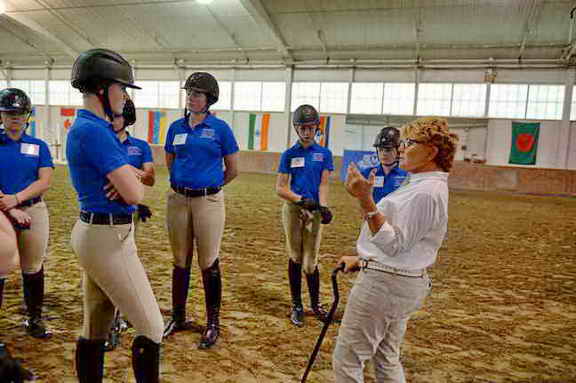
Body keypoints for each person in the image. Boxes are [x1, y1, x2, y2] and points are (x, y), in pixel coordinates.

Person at [333, 117, 459, 383]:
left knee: (347, 360)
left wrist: (365, 199)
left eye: (410, 142)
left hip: (385, 284)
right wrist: (363, 259)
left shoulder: (426, 192)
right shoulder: (422, 184)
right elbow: (399, 238)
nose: (402, 148)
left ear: (431, 151)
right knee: (386, 358)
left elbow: (394, 243)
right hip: (395, 277)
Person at [66, 48, 163, 382]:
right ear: (101, 89)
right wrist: (130, 181)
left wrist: (127, 177)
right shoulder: (94, 130)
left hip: (99, 233)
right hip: (108, 238)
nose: (124, 96)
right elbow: (136, 194)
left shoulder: (92, 127)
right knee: (152, 328)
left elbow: (133, 185)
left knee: (96, 323)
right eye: (121, 88)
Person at [163, 72, 239, 350]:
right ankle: (178, 317)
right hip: (179, 200)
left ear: (209, 99)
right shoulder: (175, 128)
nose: (192, 98)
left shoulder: (220, 129)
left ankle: (212, 323)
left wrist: (211, 185)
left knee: (208, 260)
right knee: (179, 259)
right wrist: (183, 182)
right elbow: (170, 159)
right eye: (190, 93)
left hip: (208, 202)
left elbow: (233, 168)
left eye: (197, 94)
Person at [0, 88, 54, 339]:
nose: (15, 118)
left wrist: (17, 200)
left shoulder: (38, 145)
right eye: (9, 113)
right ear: (1, 115)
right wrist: (8, 205)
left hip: (32, 209)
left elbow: (45, 180)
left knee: (32, 267)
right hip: (1, 213)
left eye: (20, 113)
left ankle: (34, 317)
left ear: (27, 116)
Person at [276, 104, 334, 327]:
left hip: (315, 211)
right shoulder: (289, 155)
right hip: (294, 210)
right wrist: (299, 200)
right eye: (302, 127)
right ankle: (297, 305)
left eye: (310, 127)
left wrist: (324, 206)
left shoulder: (324, 155)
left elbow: (324, 184)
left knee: (311, 262)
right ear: (296, 128)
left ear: (316, 128)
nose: (307, 132)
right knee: (295, 256)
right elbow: (281, 187)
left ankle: (316, 304)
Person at [104, 98, 155, 352]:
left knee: (124, 264)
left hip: (130, 213)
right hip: (104, 211)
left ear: (127, 118)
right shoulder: (102, 142)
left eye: (117, 116)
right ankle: (110, 321)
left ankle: (118, 319)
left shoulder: (140, 146)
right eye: (111, 116)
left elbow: (150, 177)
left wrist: (124, 172)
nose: (113, 120)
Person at [361, 127, 408, 203]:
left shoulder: (407, 174)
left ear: (398, 150)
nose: (384, 154)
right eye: (380, 149)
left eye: (388, 150)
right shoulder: (367, 173)